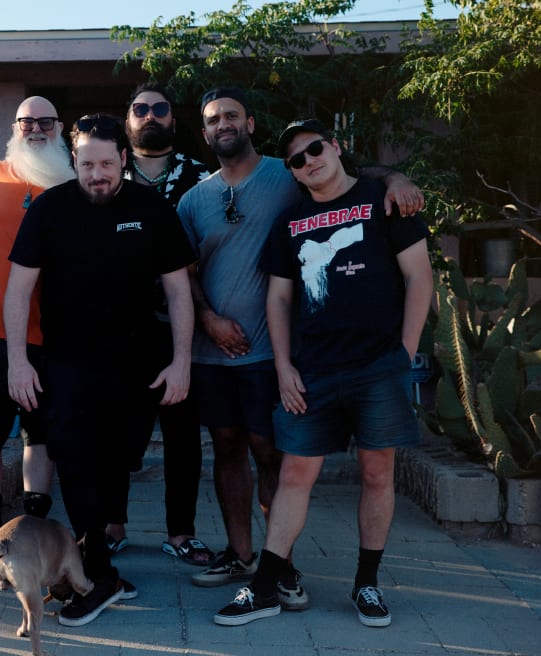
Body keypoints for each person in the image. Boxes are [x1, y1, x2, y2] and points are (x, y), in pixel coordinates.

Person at [180, 88, 424, 608]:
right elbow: (269, 294)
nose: (308, 161)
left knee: (361, 469)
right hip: (295, 364)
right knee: (265, 461)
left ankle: (355, 580)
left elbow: (418, 277)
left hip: (363, 363)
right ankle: (256, 571)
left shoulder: (350, 193)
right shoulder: (235, 207)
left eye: (315, 150)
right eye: (298, 158)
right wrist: (275, 358)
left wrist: (404, 353)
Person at [5, 114, 194, 627]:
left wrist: (181, 363)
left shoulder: (151, 209)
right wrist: (17, 361)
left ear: (124, 160)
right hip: (67, 363)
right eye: (88, 164)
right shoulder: (49, 210)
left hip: (138, 364)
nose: (98, 174)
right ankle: (98, 575)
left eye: (108, 163)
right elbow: (19, 290)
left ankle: (99, 564)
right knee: (74, 459)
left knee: (117, 464)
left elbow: (179, 291)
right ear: (74, 162)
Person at [0, 96, 75, 575]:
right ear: (15, 126)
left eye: (46, 121)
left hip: (57, 336)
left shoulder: (74, 179)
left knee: (40, 435)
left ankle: (32, 531)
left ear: (59, 127)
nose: (37, 129)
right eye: (28, 122)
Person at [106, 82, 213, 563]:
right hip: (120, 324)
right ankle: (111, 526)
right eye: (140, 108)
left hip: (181, 321)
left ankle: (180, 532)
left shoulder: (202, 176)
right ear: (127, 119)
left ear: (173, 118)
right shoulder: (107, 173)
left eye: (160, 109)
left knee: (182, 433)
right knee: (116, 431)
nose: (150, 115)